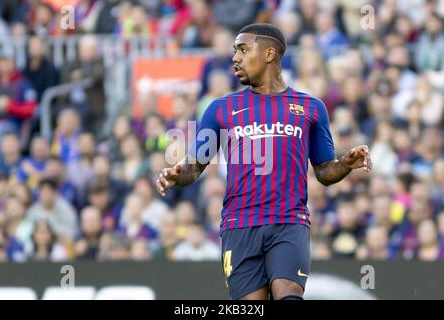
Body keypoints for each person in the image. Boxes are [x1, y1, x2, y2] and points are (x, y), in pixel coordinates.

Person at [155, 23, 372, 300]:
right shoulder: (220, 109)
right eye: (235, 51)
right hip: (239, 224)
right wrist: (177, 174)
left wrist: (344, 164)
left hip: (288, 221)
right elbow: (194, 166)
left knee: (289, 294)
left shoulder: (311, 108)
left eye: (243, 50)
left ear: (269, 54)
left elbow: (324, 171)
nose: (235, 58)